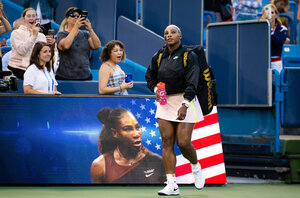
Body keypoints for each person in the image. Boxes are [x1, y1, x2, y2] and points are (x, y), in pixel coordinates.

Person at [145, 25, 205, 196]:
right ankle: (172, 184)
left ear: (180, 35)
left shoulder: (189, 55)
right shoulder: (159, 55)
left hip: (186, 99)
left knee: (184, 142)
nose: (169, 35)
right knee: (166, 141)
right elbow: (150, 76)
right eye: (166, 33)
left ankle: (196, 167)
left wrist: (185, 104)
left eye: (172, 32)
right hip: (165, 100)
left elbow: (193, 81)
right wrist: (156, 89)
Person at [90, 107, 165, 184]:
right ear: (114, 133)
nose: (136, 134)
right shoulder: (100, 165)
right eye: (128, 129)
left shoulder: (157, 161)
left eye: (137, 127)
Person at [56, 7, 101, 80]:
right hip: (66, 77)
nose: (76, 17)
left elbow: (97, 46)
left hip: (85, 76)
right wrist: (76, 27)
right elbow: (65, 46)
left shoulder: (85, 34)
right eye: (73, 15)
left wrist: (90, 29)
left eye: (78, 16)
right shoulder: (62, 34)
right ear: (67, 18)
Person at [8, 8, 47, 79]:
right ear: (24, 19)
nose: (31, 18)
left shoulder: (41, 36)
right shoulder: (16, 33)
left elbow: (43, 56)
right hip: (17, 69)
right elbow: (22, 51)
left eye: (33, 16)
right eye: (29, 16)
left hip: (35, 70)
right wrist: (34, 36)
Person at [260, 4, 287, 73]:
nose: (270, 15)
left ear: (276, 15)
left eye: (272, 12)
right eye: (268, 13)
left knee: (276, 82)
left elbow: (278, 45)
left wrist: (271, 30)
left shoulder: (282, 28)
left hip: (276, 62)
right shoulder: (259, 28)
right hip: (262, 61)